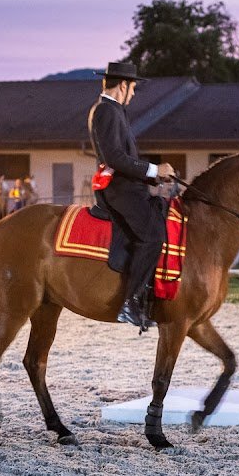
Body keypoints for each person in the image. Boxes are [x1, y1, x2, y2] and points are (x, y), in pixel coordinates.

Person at [89, 61, 175, 328]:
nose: (134, 93)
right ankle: (131, 302)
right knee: (153, 236)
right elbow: (114, 157)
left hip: (129, 186)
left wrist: (155, 174)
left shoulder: (115, 111)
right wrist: (153, 169)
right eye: (133, 87)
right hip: (119, 190)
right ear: (123, 85)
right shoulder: (105, 111)